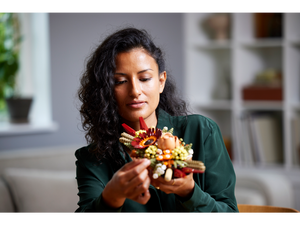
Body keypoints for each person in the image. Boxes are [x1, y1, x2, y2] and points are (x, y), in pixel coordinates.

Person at [75, 27, 239, 215]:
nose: (135, 91)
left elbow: (229, 212)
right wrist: (111, 197)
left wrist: (189, 192)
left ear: (161, 81)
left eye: (144, 78)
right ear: (106, 91)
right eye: (120, 81)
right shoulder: (92, 159)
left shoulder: (202, 131)